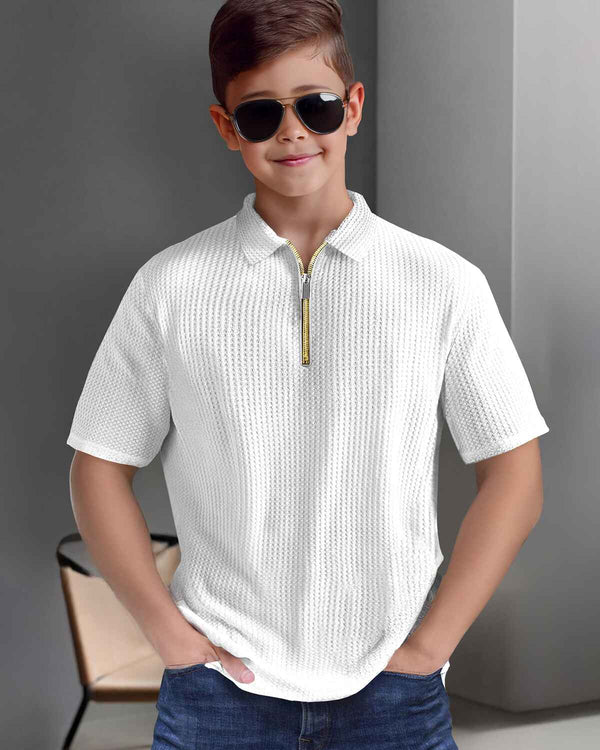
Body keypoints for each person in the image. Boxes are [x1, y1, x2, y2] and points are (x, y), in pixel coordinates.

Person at [66, 1, 550, 747]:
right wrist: (167, 635)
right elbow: (98, 466)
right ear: (227, 127)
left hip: (394, 694)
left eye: (315, 106)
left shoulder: (442, 283)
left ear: (352, 107)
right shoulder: (170, 287)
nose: (292, 131)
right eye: (260, 114)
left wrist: (432, 646)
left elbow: (515, 472)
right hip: (217, 695)